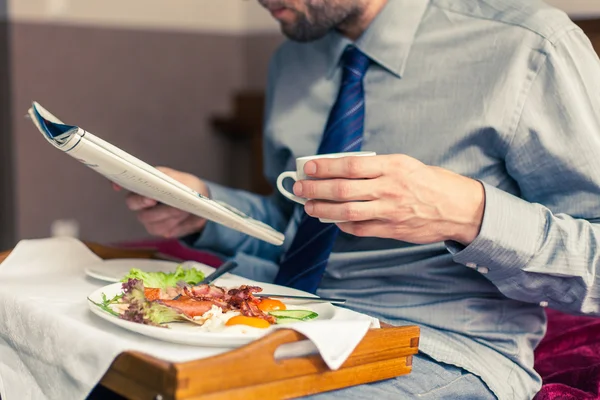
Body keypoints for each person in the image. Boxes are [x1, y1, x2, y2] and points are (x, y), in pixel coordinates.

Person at [118, 0, 600, 398]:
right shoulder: (293, 58)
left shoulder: (530, 46)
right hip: (285, 317)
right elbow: (301, 227)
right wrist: (202, 208)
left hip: (438, 350)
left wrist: (468, 214)